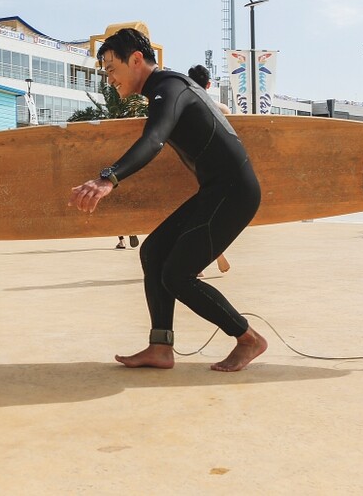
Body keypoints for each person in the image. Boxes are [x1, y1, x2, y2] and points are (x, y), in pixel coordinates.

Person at [69, 28, 266, 372]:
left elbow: (154, 139)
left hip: (233, 192)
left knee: (178, 274)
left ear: (135, 60)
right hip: (216, 190)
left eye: (112, 68)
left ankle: (248, 338)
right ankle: (160, 347)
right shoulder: (167, 89)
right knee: (153, 252)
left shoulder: (169, 88)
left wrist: (108, 179)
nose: (109, 78)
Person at [187, 65, 232, 275]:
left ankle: (202, 258)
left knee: (193, 218)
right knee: (210, 217)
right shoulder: (222, 109)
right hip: (219, 171)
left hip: (190, 169)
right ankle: (213, 253)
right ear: (209, 84)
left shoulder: (183, 107)